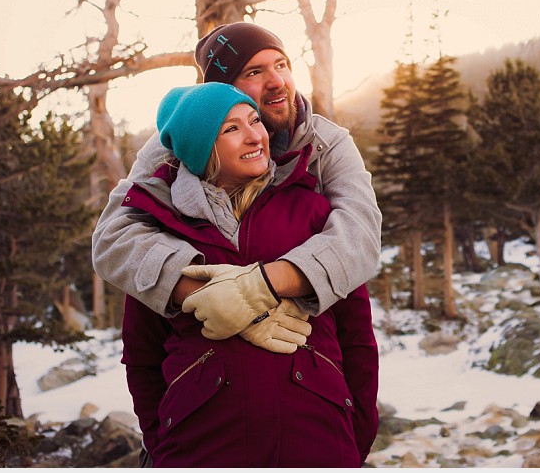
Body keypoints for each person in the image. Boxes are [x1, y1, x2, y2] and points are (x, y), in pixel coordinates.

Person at [121, 83, 379, 466]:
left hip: (318, 438)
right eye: (231, 129)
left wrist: (353, 438)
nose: (256, 135)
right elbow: (142, 354)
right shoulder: (163, 233)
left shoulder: (312, 212)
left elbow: (356, 336)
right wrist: (163, 440)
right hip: (201, 445)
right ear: (202, 148)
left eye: (254, 120)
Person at [92, 22, 381, 341]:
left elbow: (360, 237)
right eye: (254, 72)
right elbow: (112, 239)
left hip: (309, 350)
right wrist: (208, 296)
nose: (277, 82)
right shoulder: (175, 145)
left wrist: (257, 288)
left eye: (281, 65)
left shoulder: (327, 143)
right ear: (224, 91)